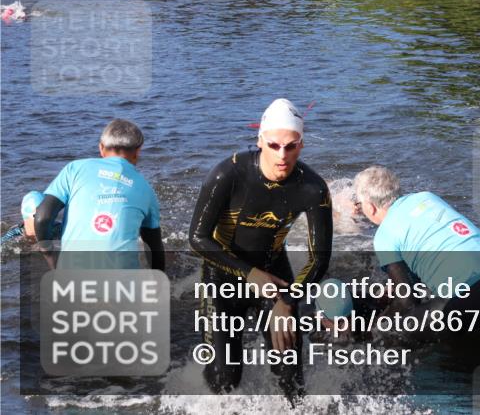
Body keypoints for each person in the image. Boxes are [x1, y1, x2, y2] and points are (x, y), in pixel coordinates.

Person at [189, 98, 332, 401]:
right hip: (222, 275)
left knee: (291, 378)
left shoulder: (313, 188)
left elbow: (320, 258)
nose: (282, 155)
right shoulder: (228, 173)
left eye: (291, 146)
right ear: (260, 142)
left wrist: (288, 299)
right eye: (274, 145)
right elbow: (198, 238)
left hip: (276, 278)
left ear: (302, 145)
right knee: (225, 379)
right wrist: (250, 274)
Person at [353, 166, 480, 334]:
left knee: (394, 329)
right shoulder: (427, 197)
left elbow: (406, 302)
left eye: (359, 203)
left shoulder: (384, 235)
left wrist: (377, 325)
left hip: (469, 296)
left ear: (371, 206)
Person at [33, 119, 164, 271]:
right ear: (137, 152)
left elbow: (42, 217)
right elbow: (155, 248)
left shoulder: (75, 169)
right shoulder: (146, 189)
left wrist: (49, 255)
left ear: (101, 148)